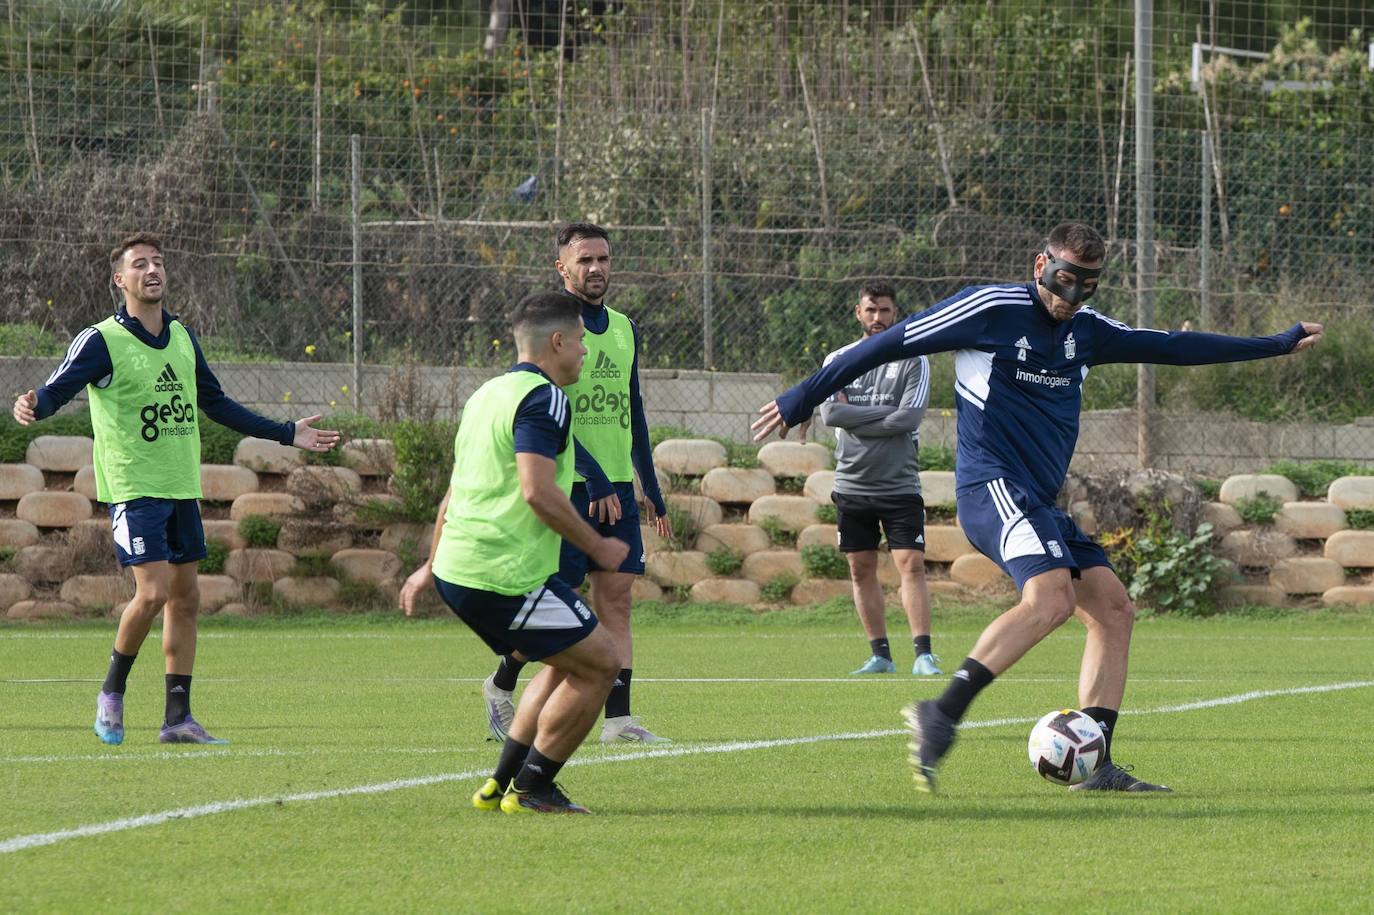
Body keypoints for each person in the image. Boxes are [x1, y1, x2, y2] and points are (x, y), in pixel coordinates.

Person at [752, 222, 1323, 794]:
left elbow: (1172, 345)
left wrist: (1274, 343)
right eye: (1064, 281)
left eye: (1086, 287)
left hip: (1039, 503)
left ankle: (1095, 765)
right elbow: (887, 342)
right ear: (1040, 266)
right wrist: (804, 394)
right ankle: (941, 712)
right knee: (1049, 599)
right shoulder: (988, 308)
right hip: (992, 489)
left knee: (1113, 610)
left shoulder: (1088, 331)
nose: (1071, 297)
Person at [12, 232, 340, 745]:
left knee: (185, 600)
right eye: (139, 264)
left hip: (180, 486)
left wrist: (287, 432)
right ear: (120, 280)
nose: (152, 270)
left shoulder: (183, 337)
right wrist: (34, 405)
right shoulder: (102, 340)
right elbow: (57, 388)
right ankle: (112, 691)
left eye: (158, 262)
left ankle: (177, 720)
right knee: (153, 593)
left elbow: (216, 402)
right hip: (134, 486)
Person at [399, 291, 626, 814]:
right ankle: (534, 788)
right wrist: (596, 544)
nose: (586, 355)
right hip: (502, 573)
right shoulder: (545, 400)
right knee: (602, 663)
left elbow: (454, 493)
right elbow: (537, 490)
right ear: (558, 341)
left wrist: (430, 567)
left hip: (462, 569)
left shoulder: (486, 396)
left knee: (562, 662)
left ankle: (500, 784)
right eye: (582, 344)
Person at [480, 222, 674, 745]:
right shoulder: (549, 327)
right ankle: (501, 686)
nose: (596, 269)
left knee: (617, 601)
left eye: (603, 259)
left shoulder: (625, 328)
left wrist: (648, 486)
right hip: (569, 484)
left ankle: (618, 721)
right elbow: (541, 405)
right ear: (562, 267)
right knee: (559, 605)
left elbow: (631, 409)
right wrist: (590, 473)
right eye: (584, 260)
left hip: (616, 487)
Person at [816, 281, 939, 677]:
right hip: (851, 484)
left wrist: (860, 416)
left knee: (911, 564)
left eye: (884, 311)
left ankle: (923, 655)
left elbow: (909, 419)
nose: (877, 318)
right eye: (871, 310)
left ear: (895, 313)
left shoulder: (913, 359)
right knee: (860, 569)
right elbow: (831, 416)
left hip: (900, 483)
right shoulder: (838, 359)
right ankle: (881, 656)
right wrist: (886, 413)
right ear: (858, 313)